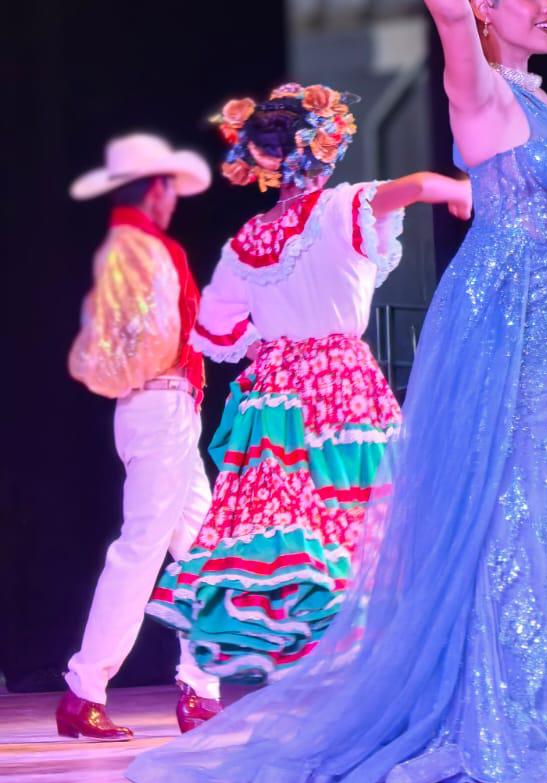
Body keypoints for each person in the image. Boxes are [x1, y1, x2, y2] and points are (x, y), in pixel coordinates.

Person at [129, 0, 547, 783]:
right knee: (511, 515)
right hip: (505, 326)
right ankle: (506, 722)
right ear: (486, 10)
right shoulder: (482, 92)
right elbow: (445, 16)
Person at [147, 83, 470, 683]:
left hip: (275, 396)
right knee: (362, 516)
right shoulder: (344, 207)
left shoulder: (247, 240)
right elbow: (422, 184)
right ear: (322, 148)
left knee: (291, 527)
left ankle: (314, 663)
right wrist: (463, 191)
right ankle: (365, 667)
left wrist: (271, 341)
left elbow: (213, 329)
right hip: (340, 383)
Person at [60, 133, 220, 740]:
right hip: (159, 404)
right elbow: (152, 336)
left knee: (203, 547)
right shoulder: (141, 247)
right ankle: (85, 687)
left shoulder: (136, 245)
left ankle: (199, 688)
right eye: (168, 189)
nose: (173, 199)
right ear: (154, 189)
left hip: (163, 406)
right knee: (143, 548)